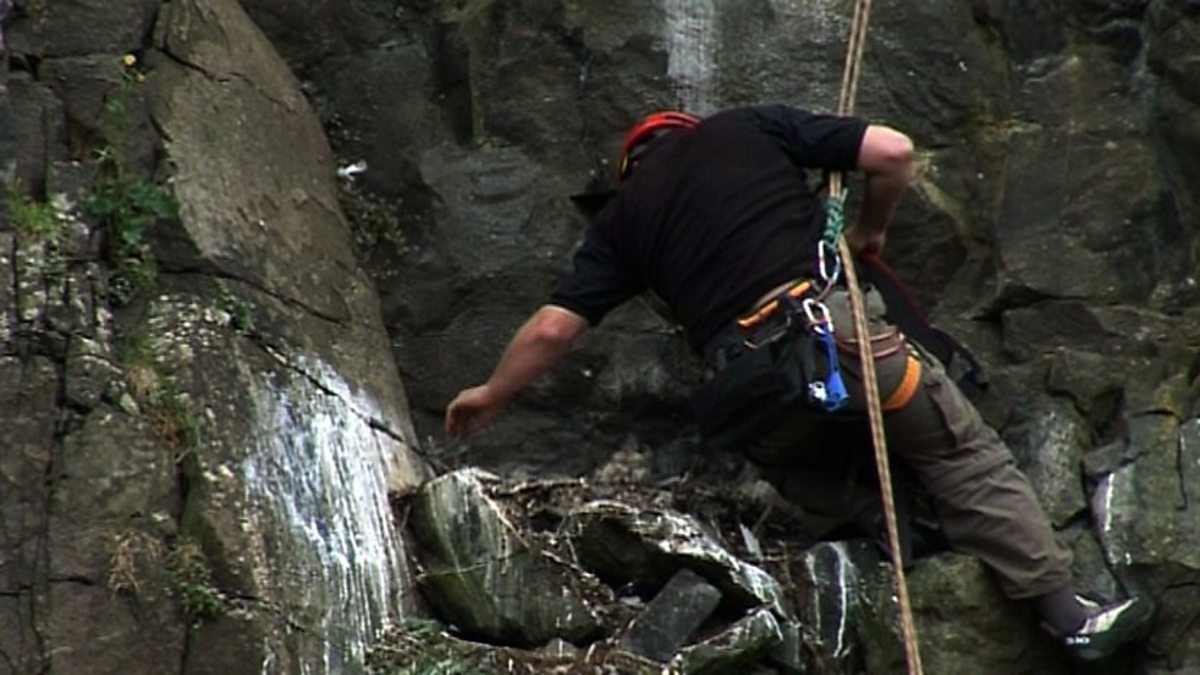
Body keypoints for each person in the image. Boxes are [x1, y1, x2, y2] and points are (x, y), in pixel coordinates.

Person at [444, 105, 1152, 661]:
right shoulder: (747, 129)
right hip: (836, 337)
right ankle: (1066, 613)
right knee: (960, 454)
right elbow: (893, 153)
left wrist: (490, 394)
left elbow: (553, 330)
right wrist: (869, 231)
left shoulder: (623, 221)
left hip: (753, 394)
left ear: (631, 170)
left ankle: (901, 531)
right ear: (689, 130)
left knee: (814, 474)